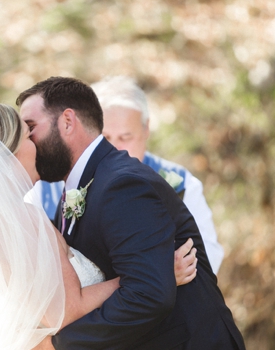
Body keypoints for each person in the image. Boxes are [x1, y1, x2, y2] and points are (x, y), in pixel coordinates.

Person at [11, 77, 258, 350]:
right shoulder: (76, 191)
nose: (28, 141)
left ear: (67, 121)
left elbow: (149, 293)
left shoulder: (121, 183)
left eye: (31, 127)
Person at [0, 103, 198, 350]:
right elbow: (68, 310)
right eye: (28, 138)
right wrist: (156, 272)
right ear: (9, 153)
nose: (38, 146)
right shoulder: (24, 221)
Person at [32, 76, 224, 273]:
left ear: (146, 129)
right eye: (104, 137)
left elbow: (208, 256)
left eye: (125, 137)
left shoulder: (181, 183)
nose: (114, 147)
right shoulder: (49, 188)